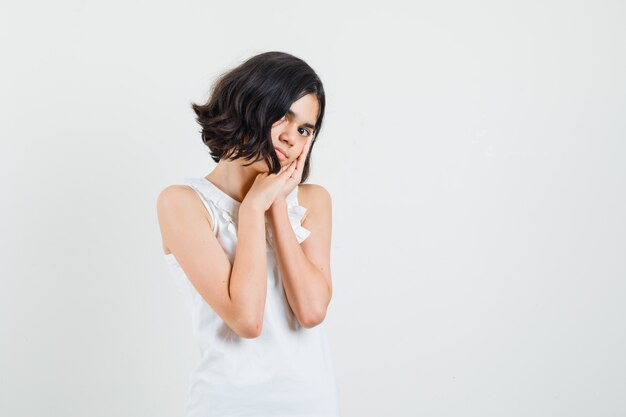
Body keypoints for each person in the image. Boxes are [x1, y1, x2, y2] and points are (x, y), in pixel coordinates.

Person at [156, 51, 340, 417]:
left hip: (312, 405)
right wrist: (253, 209)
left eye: (304, 129)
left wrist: (277, 207)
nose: (290, 137)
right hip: (226, 405)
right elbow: (246, 319)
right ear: (246, 107)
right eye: (281, 118)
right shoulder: (183, 203)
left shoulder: (313, 201)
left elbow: (311, 310)